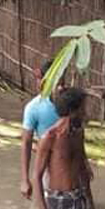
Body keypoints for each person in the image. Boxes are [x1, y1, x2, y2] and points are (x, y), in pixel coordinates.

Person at [33, 87, 102, 209]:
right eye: (83, 108)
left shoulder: (78, 133)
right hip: (59, 204)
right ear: (73, 111)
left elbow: (83, 170)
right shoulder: (49, 138)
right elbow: (36, 177)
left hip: (78, 200)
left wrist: (90, 204)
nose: (85, 113)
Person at [20, 58, 64, 199]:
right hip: (48, 162)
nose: (61, 87)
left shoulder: (70, 104)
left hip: (69, 159)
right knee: (51, 200)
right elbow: (26, 142)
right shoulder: (33, 108)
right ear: (46, 82)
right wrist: (25, 179)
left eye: (62, 82)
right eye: (57, 82)